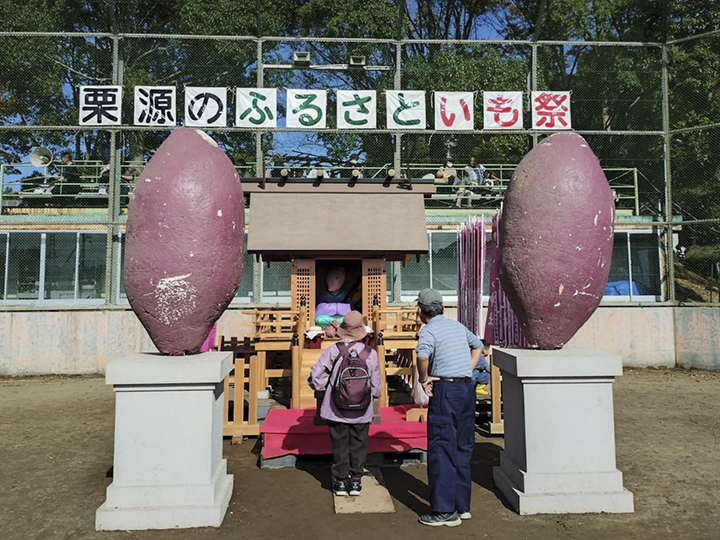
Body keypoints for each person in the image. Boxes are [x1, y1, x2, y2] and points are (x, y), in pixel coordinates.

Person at [415, 288, 483, 527]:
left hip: (446, 389)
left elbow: (422, 356)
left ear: (420, 310)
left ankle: (444, 511)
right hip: (466, 388)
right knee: (462, 446)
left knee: (442, 446)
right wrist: (468, 367)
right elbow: (478, 346)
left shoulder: (429, 330)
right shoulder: (458, 326)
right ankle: (461, 505)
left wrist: (425, 378)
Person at [309, 311, 381, 497]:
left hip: (336, 407)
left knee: (339, 444)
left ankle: (340, 482)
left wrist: (322, 386)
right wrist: (372, 397)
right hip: (362, 408)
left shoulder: (334, 350)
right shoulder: (369, 353)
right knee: (359, 443)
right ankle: (356, 481)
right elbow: (376, 384)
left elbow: (317, 375)